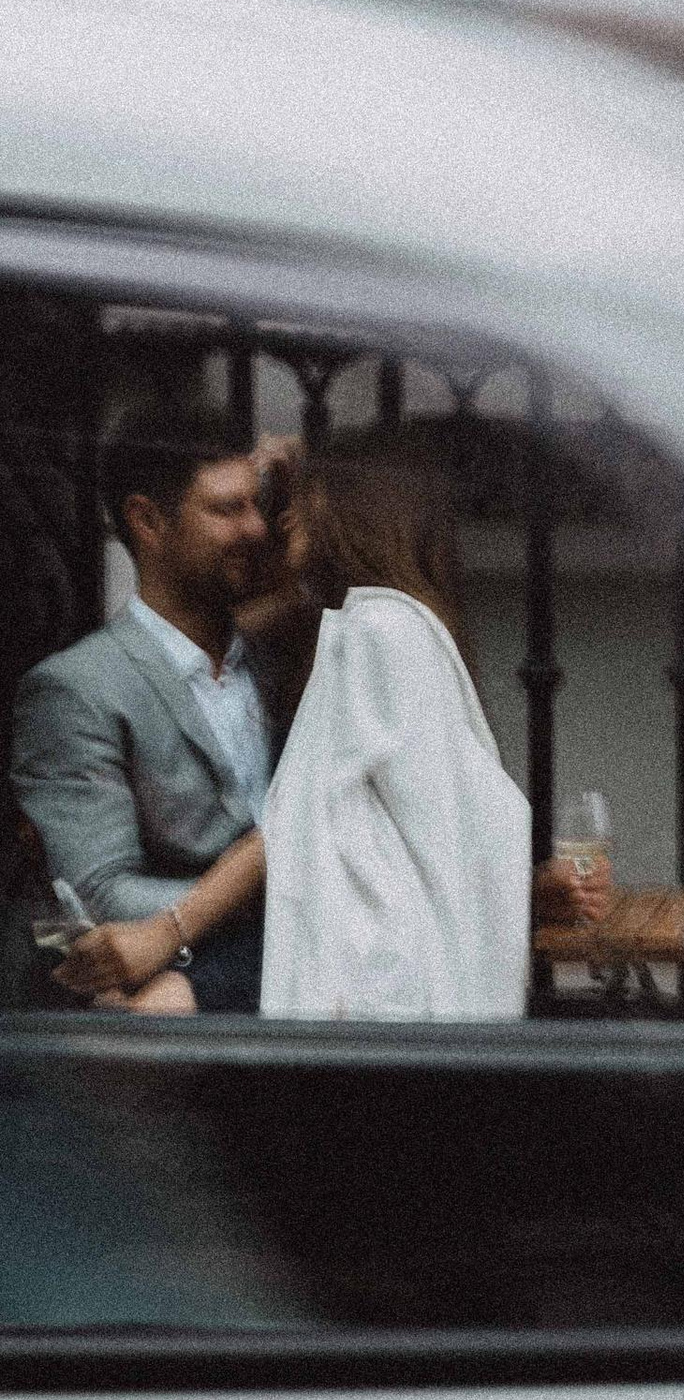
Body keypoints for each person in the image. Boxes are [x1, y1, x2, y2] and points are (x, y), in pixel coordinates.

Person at [259, 436, 535, 1021]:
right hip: (385, 989)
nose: (283, 516)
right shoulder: (374, 627)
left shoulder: (381, 632)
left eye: (301, 497)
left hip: (379, 992)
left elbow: (440, 832)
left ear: (343, 508)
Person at [12, 415, 280, 1014]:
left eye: (257, 505)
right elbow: (97, 895)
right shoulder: (77, 690)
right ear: (147, 521)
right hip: (177, 1021)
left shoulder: (284, 665)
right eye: (226, 510)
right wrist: (286, 890)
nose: (256, 528)